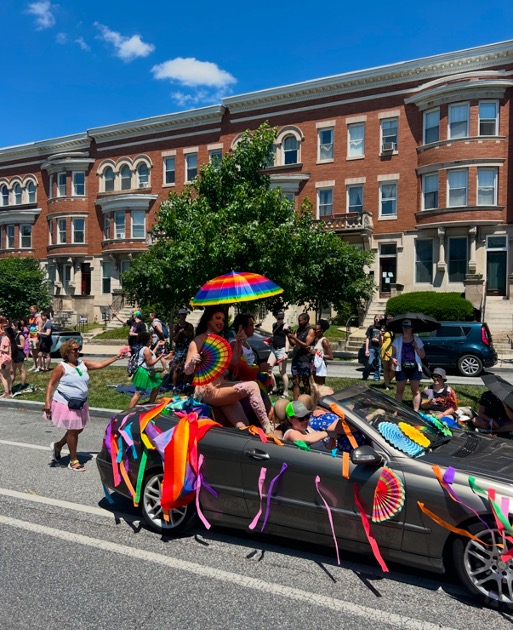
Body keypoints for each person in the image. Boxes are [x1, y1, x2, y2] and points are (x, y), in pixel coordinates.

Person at [184, 306, 273, 434]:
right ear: (208, 319)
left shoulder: (221, 341)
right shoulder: (198, 340)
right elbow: (187, 371)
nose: (221, 322)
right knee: (252, 386)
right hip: (208, 391)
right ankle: (268, 429)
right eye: (217, 318)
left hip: (222, 386)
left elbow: (234, 364)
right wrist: (193, 361)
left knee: (244, 426)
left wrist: (238, 343)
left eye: (223, 319)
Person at [44, 339, 124, 471]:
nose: (77, 352)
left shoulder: (83, 364)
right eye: (74, 350)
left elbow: (100, 365)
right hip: (66, 403)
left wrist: (116, 358)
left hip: (80, 403)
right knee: (73, 431)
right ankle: (73, 461)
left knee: (78, 429)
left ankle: (58, 445)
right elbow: (51, 384)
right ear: (66, 352)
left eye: (78, 349)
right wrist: (47, 403)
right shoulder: (61, 367)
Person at [391, 319, 426, 412]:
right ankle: (397, 410)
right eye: (404, 327)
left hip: (414, 367)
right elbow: (393, 354)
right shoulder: (397, 341)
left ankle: (415, 411)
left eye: (408, 327)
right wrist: (393, 359)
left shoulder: (417, 340)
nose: (405, 329)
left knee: (415, 391)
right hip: (401, 367)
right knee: (399, 391)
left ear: (412, 329)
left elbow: (423, 355)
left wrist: (416, 347)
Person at [129, 331, 166, 408]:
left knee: (156, 386)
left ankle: (151, 403)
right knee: (139, 393)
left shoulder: (146, 348)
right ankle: (129, 411)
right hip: (143, 372)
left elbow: (152, 353)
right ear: (147, 339)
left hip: (149, 371)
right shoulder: (146, 349)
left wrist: (158, 345)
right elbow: (150, 363)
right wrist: (160, 357)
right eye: (150, 338)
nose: (152, 339)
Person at [287, 313, 315, 400]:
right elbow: (293, 343)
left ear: (306, 320)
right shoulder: (299, 330)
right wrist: (289, 336)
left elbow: (306, 344)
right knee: (295, 381)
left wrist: (294, 338)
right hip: (296, 358)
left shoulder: (310, 331)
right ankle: (296, 402)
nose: (298, 322)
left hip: (305, 359)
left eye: (300, 320)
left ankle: (308, 401)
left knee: (305, 381)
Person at [171, 308, 195, 392]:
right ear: (179, 315)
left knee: (186, 367)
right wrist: (179, 333)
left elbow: (192, 338)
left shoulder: (189, 326)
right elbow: (174, 339)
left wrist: (186, 334)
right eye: (181, 314)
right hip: (179, 349)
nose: (183, 316)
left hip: (187, 349)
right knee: (176, 368)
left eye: (184, 314)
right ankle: (174, 386)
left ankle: (184, 384)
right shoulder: (176, 326)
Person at [268, 311, 290, 398]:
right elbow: (274, 336)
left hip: (282, 350)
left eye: (281, 318)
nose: (280, 320)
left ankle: (286, 392)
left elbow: (287, 340)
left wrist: (286, 352)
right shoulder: (274, 325)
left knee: (282, 371)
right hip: (274, 349)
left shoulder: (286, 326)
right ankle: (275, 387)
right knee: (268, 368)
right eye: (278, 318)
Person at [311, 319, 333, 385]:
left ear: (321, 331)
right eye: (313, 329)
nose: (314, 331)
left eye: (315, 330)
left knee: (320, 385)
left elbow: (331, 356)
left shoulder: (324, 341)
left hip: (320, 366)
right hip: (314, 364)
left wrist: (319, 355)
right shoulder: (315, 339)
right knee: (314, 385)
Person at [362, 315, 382, 382]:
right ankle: (365, 375)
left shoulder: (382, 328)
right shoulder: (371, 327)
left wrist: (379, 340)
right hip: (371, 347)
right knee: (369, 362)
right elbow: (367, 338)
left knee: (378, 363)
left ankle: (376, 378)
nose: (378, 320)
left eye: (379, 319)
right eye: (376, 319)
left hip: (379, 347)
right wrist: (366, 349)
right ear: (374, 319)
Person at [380, 314, 395, 391]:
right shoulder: (383, 329)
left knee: (393, 369)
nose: (389, 321)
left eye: (390, 319)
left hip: (393, 350)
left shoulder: (395, 328)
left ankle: (387, 381)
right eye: (387, 320)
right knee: (386, 369)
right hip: (385, 349)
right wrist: (380, 335)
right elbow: (381, 342)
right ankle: (387, 385)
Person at [0, 317, 13, 397]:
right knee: (8, 375)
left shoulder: (5, 339)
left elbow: (6, 349)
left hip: (4, 359)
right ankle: (10, 391)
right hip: (8, 358)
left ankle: (6, 392)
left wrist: (0, 349)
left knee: (3, 376)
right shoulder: (9, 338)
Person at [27, 305, 42, 372]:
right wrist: (29, 336)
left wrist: (38, 338)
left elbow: (39, 328)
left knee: (38, 352)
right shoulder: (32, 318)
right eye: (30, 309)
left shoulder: (39, 318)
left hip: (36, 337)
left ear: (36, 310)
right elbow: (31, 328)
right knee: (33, 352)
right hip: (32, 336)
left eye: (32, 309)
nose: (31, 310)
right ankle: (34, 365)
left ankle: (39, 366)